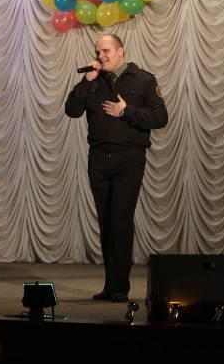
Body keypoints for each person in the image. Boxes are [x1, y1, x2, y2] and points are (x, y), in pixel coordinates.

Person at [65, 34, 168, 303]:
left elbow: (160, 117)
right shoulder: (93, 81)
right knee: (106, 221)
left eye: (106, 51)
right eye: (98, 52)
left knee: (120, 220)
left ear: (120, 51)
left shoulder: (143, 79)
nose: (101, 56)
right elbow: (72, 110)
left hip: (128, 158)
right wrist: (86, 82)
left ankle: (120, 286)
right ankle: (110, 285)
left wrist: (126, 112)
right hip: (99, 158)